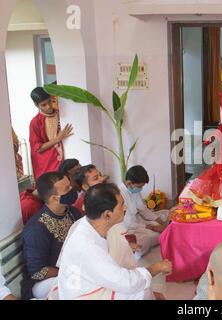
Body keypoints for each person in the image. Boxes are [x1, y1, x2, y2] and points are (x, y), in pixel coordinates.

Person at [56, 183, 172, 300]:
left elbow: (118, 257)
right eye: (121, 205)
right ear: (107, 214)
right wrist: (157, 268)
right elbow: (127, 283)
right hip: (85, 294)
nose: (125, 208)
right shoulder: (88, 247)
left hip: (94, 282)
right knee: (141, 292)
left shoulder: (94, 224)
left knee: (143, 288)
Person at [21, 171, 82, 300]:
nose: (72, 190)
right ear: (54, 198)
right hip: (43, 283)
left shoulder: (73, 212)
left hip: (73, 270)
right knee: (81, 286)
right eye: (67, 189)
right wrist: (69, 271)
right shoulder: (37, 229)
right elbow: (38, 273)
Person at [121, 165, 169, 258]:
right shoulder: (120, 194)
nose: (141, 189)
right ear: (129, 183)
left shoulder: (134, 190)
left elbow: (143, 209)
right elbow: (129, 223)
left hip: (138, 220)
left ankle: (162, 232)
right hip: (128, 227)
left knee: (165, 214)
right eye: (139, 186)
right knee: (147, 239)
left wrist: (160, 221)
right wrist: (152, 227)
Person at [29, 87, 73, 180]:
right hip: (47, 163)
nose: (48, 106)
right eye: (43, 105)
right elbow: (38, 149)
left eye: (49, 102)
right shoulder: (35, 122)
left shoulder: (61, 113)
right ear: (36, 105)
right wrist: (57, 139)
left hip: (63, 159)